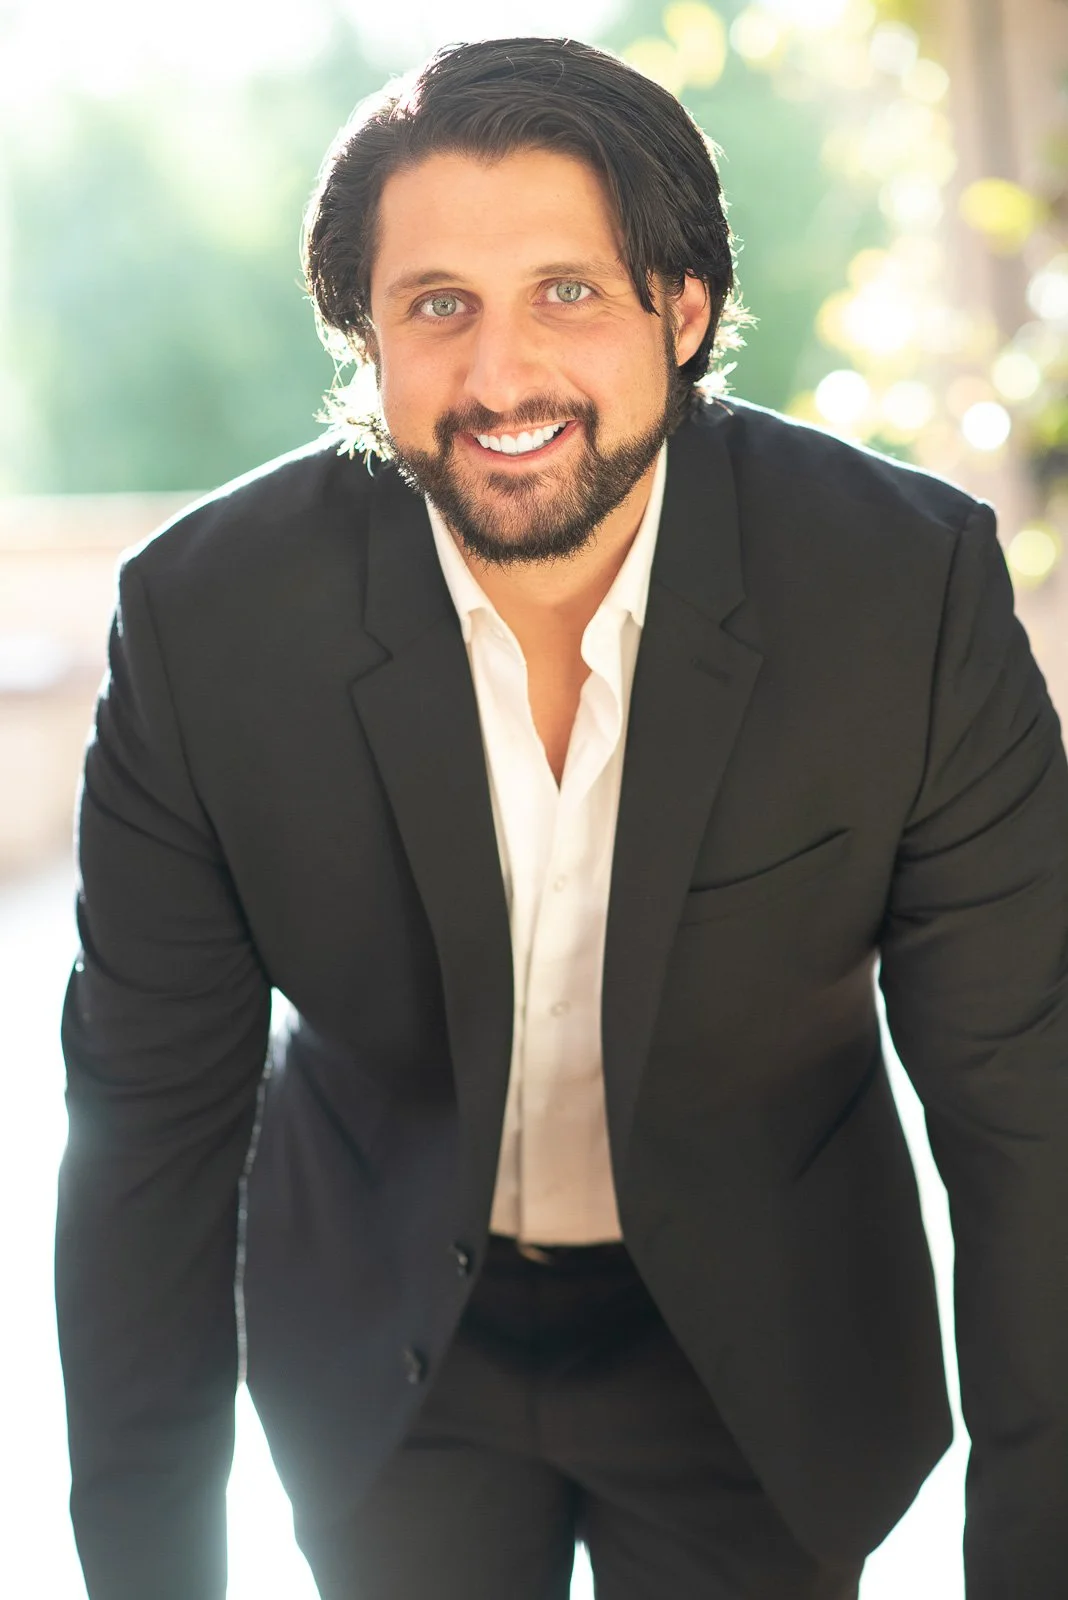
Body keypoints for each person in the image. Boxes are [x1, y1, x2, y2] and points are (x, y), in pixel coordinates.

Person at [56, 35, 1067, 1600]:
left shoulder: (901, 594)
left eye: (568, 294)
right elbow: (143, 1140)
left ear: (685, 308)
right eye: (436, 306)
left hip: (765, 1346)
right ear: (368, 339)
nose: (499, 376)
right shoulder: (206, 626)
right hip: (392, 1354)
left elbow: (1029, 1121)